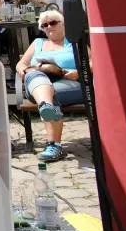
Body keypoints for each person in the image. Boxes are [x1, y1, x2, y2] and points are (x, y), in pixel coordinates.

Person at [16, 10, 82, 162]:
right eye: (44, 25)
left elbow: (94, 62)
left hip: (68, 82)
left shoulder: (73, 42)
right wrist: (24, 70)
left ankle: (53, 144)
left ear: (63, 24)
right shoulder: (38, 43)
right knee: (34, 74)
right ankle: (46, 106)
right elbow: (21, 63)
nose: (48, 27)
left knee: (52, 95)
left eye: (53, 23)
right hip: (37, 84)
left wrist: (77, 72)